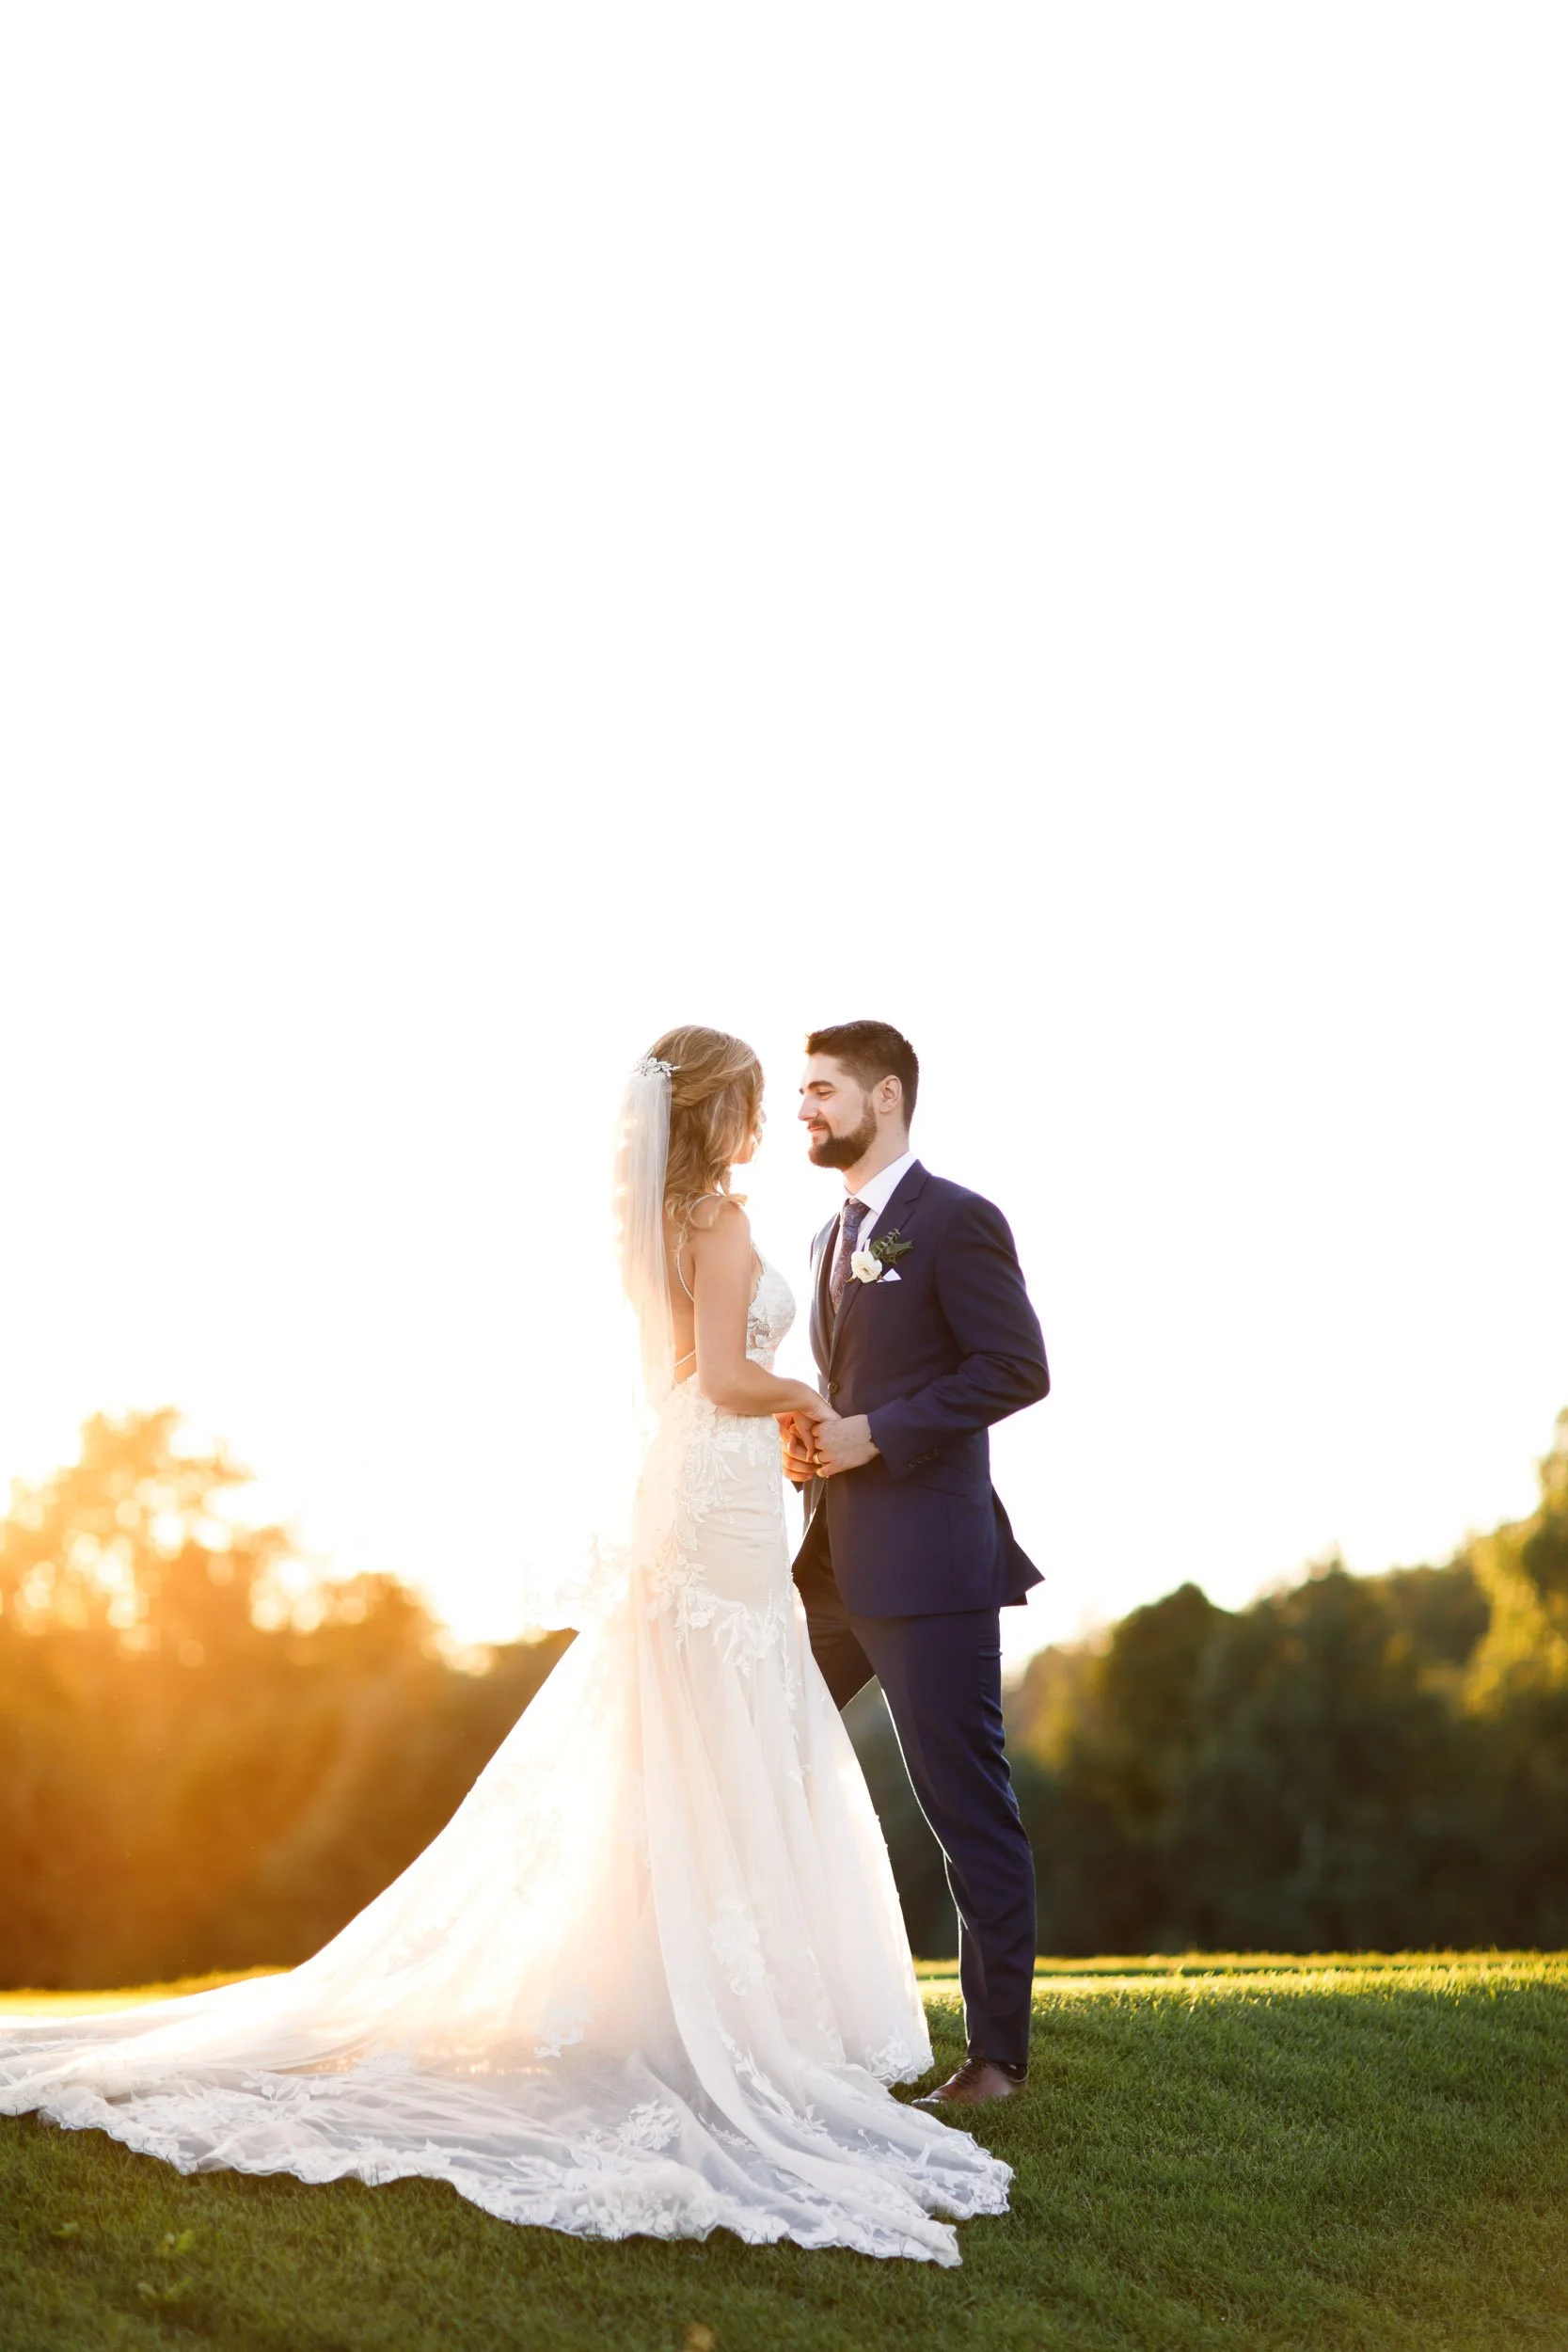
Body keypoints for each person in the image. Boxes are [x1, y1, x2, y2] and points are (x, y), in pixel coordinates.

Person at [0, 1025, 1011, 2265]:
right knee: (723, 1718)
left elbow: (684, 1374)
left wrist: (775, 1404)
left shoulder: (657, 1216)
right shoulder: (725, 1219)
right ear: (717, 1113)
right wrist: (813, 1406)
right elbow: (730, 1377)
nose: (768, 1119)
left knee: (688, 1725)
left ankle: (676, 1988)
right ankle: (709, 2011)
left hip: (692, 1482)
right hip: (723, 1485)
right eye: (756, 1100)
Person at [782, 1021, 1050, 2106]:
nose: (801, 1109)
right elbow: (845, 1388)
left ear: (883, 1096)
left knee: (961, 1805)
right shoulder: (822, 1238)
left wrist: (877, 1431)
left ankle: (995, 2060)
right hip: (827, 1562)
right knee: (746, 1742)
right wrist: (809, 1436)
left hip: (931, 1567)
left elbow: (1015, 1366)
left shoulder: (956, 1220)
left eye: (819, 1090)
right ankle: (750, 2015)